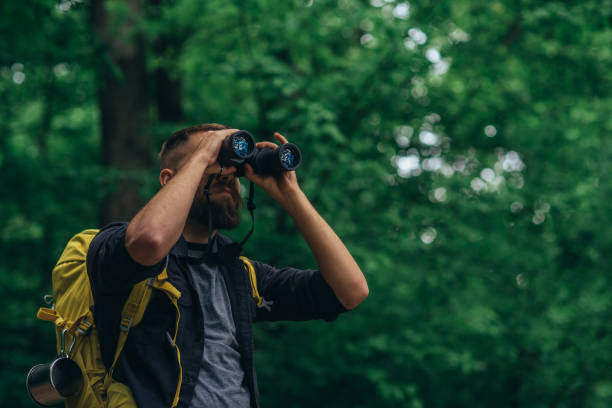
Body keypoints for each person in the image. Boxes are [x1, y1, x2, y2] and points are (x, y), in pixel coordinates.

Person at [86, 123, 369, 408]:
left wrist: (291, 195)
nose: (226, 174)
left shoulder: (240, 274)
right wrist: (203, 156)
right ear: (168, 179)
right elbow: (150, 241)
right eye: (212, 162)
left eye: (229, 166)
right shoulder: (119, 247)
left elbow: (350, 291)